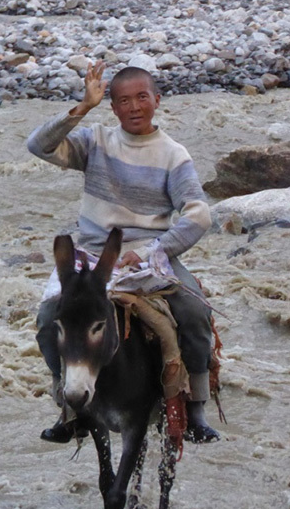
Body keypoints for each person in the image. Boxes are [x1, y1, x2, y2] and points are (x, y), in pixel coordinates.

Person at [27, 61, 220, 445]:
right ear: (112, 106)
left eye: (142, 98)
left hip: (151, 256)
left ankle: (196, 409)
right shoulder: (95, 141)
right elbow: (38, 146)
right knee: (50, 319)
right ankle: (68, 405)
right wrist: (82, 107)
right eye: (123, 100)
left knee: (195, 313)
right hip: (93, 258)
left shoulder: (173, 155)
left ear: (157, 100)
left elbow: (199, 215)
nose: (134, 107)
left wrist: (155, 251)